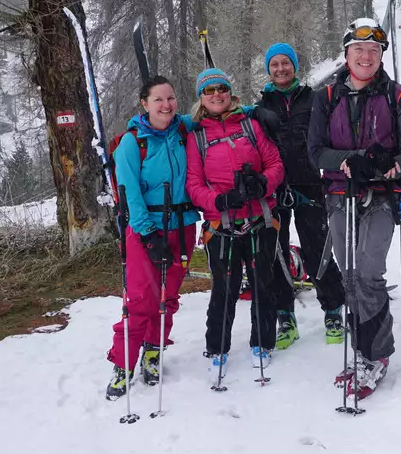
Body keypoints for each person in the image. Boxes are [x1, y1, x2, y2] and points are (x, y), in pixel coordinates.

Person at [308, 18, 401, 399]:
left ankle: (376, 355)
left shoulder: (399, 96)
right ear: (346, 54)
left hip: (381, 196)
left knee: (369, 272)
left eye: (373, 50)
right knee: (349, 275)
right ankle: (361, 349)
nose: (365, 56)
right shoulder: (325, 98)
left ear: (381, 55)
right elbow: (315, 152)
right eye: (358, 49)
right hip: (341, 196)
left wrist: (389, 165)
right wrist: (350, 160)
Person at [105, 76, 200, 400]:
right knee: (142, 300)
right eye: (158, 100)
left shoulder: (183, 130)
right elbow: (129, 193)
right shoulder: (133, 142)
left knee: (168, 297)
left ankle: (154, 350)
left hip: (183, 226)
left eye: (171, 98)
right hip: (147, 229)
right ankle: (123, 364)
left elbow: (215, 110)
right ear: (144, 105)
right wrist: (147, 235)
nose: (166, 105)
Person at [185, 68, 286, 370]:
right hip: (221, 225)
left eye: (222, 89)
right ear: (201, 98)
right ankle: (217, 347)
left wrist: (263, 183)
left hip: (260, 219)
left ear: (230, 92)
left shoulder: (251, 126)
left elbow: (275, 163)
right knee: (224, 287)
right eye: (209, 91)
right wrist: (217, 200)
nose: (217, 95)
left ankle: (263, 341)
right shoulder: (196, 136)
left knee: (262, 284)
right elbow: (193, 184)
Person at [255, 43, 346, 349]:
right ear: (268, 69)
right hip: (275, 191)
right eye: (275, 64)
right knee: (276, 255)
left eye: (286, 63)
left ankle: (333, 311)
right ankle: (285, 317)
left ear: (295, 66)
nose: (281, 69)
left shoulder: (314, 98)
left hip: (310, 186)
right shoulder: (261, 107)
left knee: (318, 250)